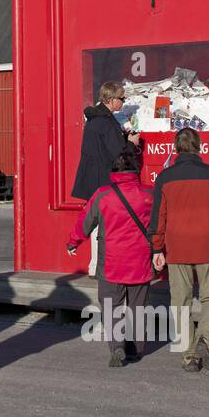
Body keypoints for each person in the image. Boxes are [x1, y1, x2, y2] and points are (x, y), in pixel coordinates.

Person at [148, 127, 209, 374]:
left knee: (180, 300)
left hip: (177, 245)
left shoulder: (165, 178)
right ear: (199, 146)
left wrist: (157, 247)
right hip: (207, 244)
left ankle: (190, 356)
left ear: (176, 148)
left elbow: (158, 216)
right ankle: (206, 339)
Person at [66, 148, 155, 367]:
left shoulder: (103, 194)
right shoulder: (148, 194)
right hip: (140, 259)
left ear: (114, 170)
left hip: (112, 261)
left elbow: (86, 220)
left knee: (111, 305)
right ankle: (135, 349)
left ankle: (117, 346)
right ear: (136, 170)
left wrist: (74, 242)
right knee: (138, 305)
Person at [72, 82, 142, 274]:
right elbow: (118, 154)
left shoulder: (94, 120)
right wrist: (131, 143)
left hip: (92, 180)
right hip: (104, 180)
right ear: (111, 100)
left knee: (95, 222)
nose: (124, 101)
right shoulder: (107, 122)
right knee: (104, 225)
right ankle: (99, 266)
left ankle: (95, 265)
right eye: (122, 98)